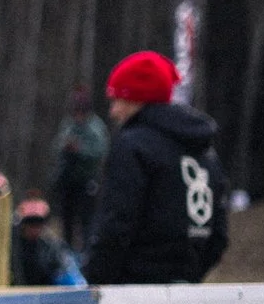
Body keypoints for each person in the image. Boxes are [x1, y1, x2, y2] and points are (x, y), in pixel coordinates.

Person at [83, 51, 229, 286]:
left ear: (136, 99)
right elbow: (218, 235)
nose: (113, 111)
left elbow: (116, 223)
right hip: (187, 290)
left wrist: (96, 278)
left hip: (133, 290)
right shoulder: (205, 152)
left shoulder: (132, 146)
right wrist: (190, 276)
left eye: (117, 100)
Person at [50, 85, 108, 252]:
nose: (78, 116)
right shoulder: (68, 125)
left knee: (87, 221)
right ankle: (67, 251)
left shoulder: (95, 127)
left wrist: (80, 149)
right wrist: (66, 147)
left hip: (87, 181)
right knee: (66, 220)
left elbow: (100, 151)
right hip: (68, 180)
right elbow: (57, 146)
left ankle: (87, 252)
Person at [11, 196, 81, 288]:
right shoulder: (13, 246)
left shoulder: (51, 247)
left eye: (38, 223)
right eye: (30, 223)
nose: (34, 228)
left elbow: (69, 276)